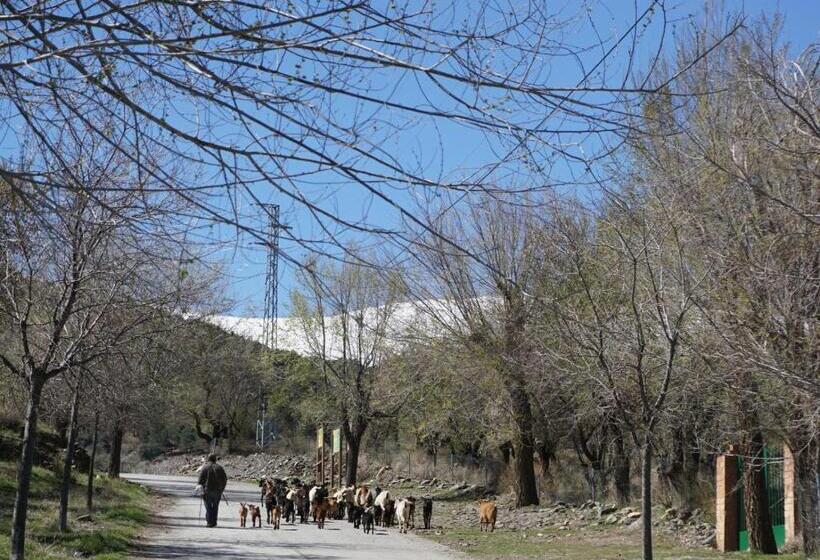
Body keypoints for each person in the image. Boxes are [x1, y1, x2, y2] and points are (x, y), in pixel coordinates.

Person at [198, 454, 228, 527]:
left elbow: (200, 480)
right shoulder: (219, 468)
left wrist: (201, 489)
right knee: (215, 506)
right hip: (217, 491)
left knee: (208, 507)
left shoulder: (205, 468)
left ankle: (209, 522)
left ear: (208, 459)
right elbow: (225, 479)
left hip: (207, 490)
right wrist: (222, 489)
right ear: (215, 459)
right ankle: (214, 522)